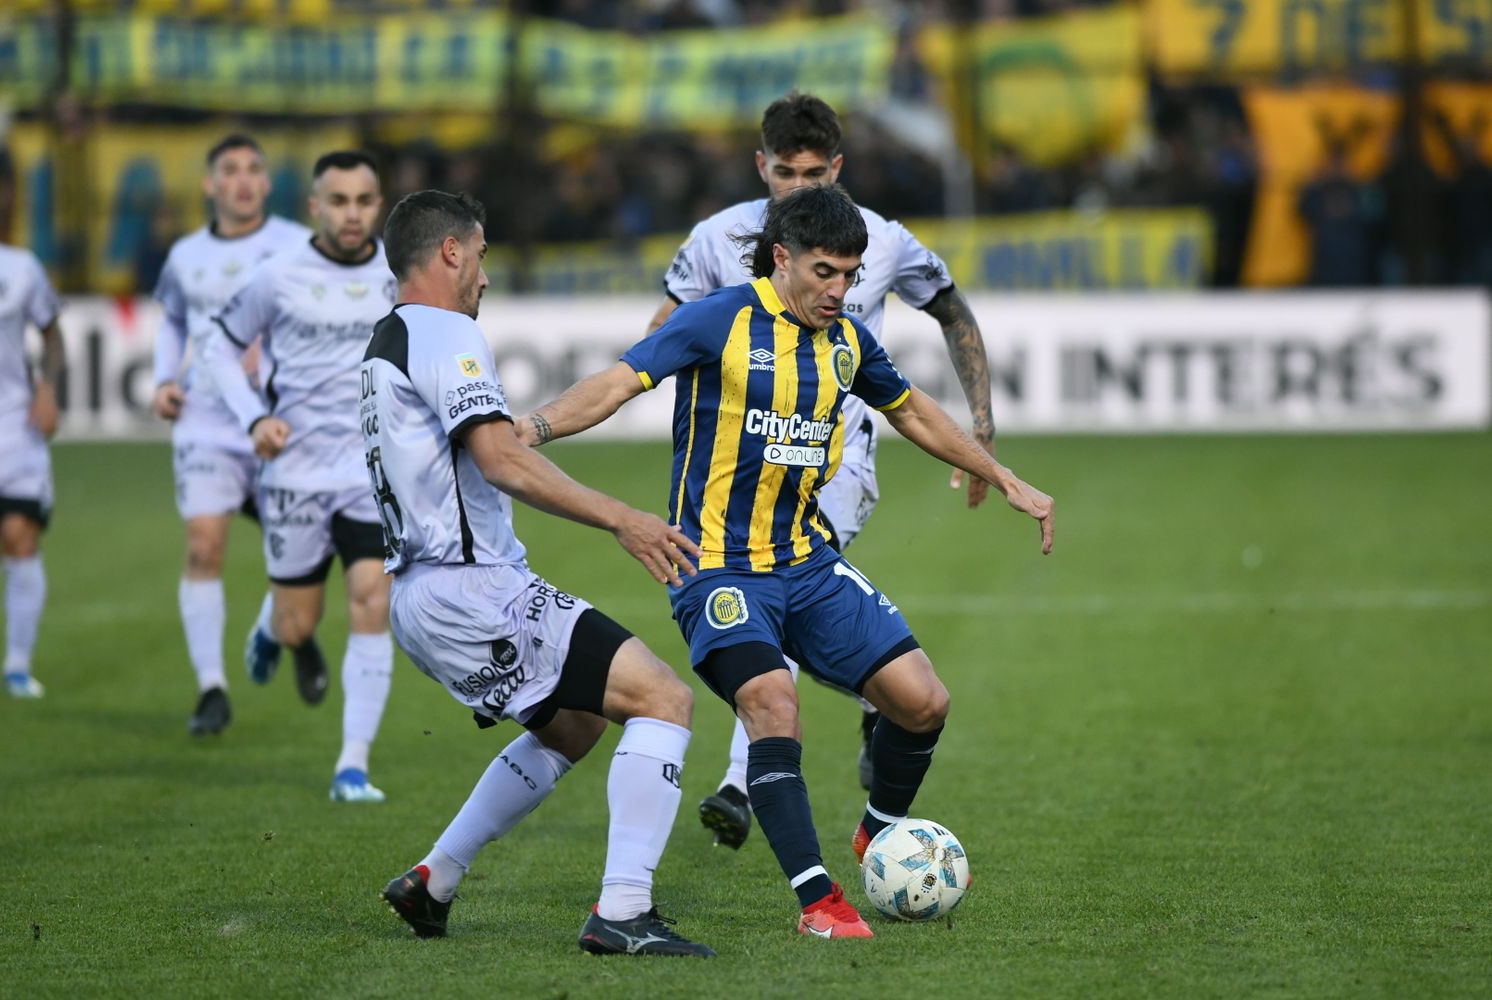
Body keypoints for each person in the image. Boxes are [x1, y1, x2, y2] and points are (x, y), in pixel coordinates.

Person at [519, 184, 1054, 938]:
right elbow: (618, 382)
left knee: (924, 701)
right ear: (783, 259)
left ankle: (878, 833)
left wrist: (1001, 475)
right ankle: (819, 903)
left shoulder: (847, 342)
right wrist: (532, 429)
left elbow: (911, 409)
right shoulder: (721, 319)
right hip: (716, 568)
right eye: (825, 273)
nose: (840, 291)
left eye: (851, 276)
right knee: (774, 705)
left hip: (806, 561)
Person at [365, 190, 714, 957]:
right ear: (450, 251)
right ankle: (622, 911)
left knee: (577, 723)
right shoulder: (444, 331)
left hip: (423, 594)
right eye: (481, 256)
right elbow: (500, 460)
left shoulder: (387, 339)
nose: (485, 277)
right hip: (470, 587)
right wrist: (622, 517)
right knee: (663, 699)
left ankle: (435, 878)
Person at [647, 91, 998, 848]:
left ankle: (743, 782)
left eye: (814, 172)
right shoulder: (717, 239)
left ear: (837, 167)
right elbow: (663, 332)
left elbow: (951, 309)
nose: (799, 187)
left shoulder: (881, 239)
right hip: (742, 463)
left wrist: (982, 420)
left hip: (836, 464)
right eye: (785, 172)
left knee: (778, 572)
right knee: (778, 587)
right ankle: (873, 703)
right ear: (760, 166)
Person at [202, 150, 397, 802]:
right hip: (294, 476)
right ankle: (272, 624)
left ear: (379, 204)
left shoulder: (400, 276)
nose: (351, 214)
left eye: (363, 201)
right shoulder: (278, 275)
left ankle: (353, 765)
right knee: (297, 626)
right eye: (337, 201)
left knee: (373, 600)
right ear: (315, 207)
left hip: (369, 475)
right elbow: (219, 348)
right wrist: (255, 417)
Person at [149, 133, 312, 735]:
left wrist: (268, 350)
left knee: (301, 548)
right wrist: (166, 377)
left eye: (252, 170)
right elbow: (171, 319)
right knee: (203, 547)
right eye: (230, 170)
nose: (242, 180)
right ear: (209, 185)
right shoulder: (185, 255)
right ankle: (212, 689)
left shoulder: (296, 245)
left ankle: (280, 631)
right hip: (206, 422)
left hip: (278, 419)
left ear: (266, 184)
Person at [0, 238, 65, 699]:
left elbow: (52, 333)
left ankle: (18, 665)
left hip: (14, 426)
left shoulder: (19, 267)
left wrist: (48, 388)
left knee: (20, 536)